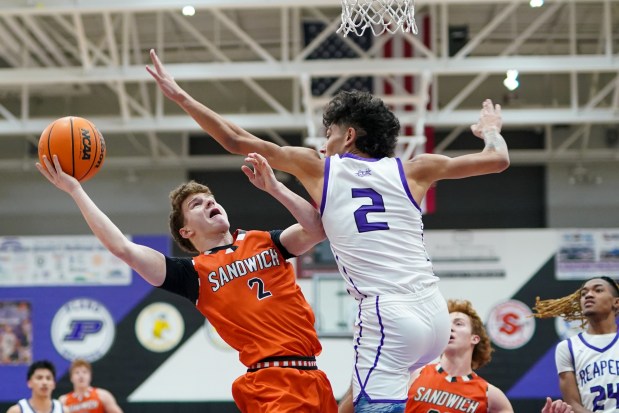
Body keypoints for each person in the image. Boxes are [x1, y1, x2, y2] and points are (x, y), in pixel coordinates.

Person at [147, 49, 510, 412]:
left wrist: (180, 95)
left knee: (372, 405)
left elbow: (235, 140)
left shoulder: (322, 167)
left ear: (348, 136)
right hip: (434, 312)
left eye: (329, 133)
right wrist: (490, 130)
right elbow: (497, 160)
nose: (324, 142)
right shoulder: (416, 169)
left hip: (388, 312)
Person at [36, 152, 338, 413]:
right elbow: (122, 248)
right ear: (186, 232)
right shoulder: (193, 273)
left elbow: (315, 229)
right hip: (274, 381)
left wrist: (275, 188)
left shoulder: (264, 241)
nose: (209, 203)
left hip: (314, 376)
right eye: (196, 204)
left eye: (211, 199)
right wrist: (75, 190)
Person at [338, 299, 573, 413]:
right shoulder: (413, 372)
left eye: (458, 324)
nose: (449, 328)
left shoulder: (491, 396)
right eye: (446, 324)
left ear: (475, 338)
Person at [533, 276, 619, 413]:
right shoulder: (567, 347)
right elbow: (572, 403)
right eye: (584, 294)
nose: (589, 295)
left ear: (616, 302)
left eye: (598, 290)